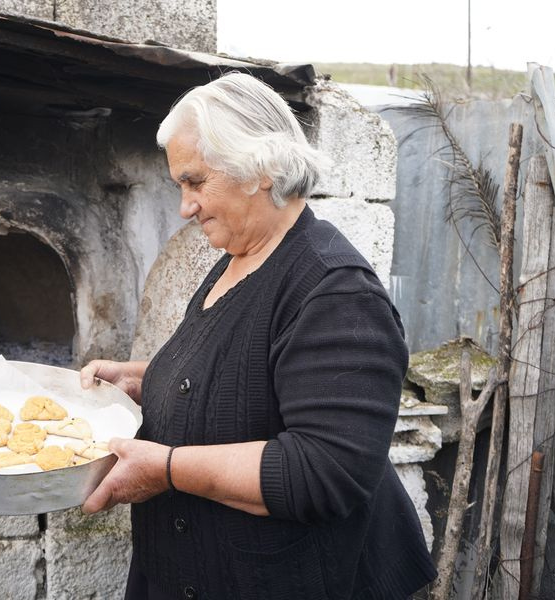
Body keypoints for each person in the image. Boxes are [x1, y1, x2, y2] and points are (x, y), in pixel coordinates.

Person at [79, 72, 437, 599]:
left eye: (196, 182)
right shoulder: (239, 258)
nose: (185, 205)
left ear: (261, 170)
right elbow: (239, 366)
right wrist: (144, 379)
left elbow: (327, 468)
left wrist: (168, 469)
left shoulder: (335, 292)